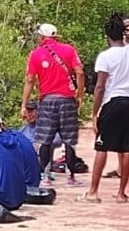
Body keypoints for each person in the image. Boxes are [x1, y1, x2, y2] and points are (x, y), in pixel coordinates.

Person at [84, 14, 129, 203]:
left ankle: (93, 192)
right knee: (126, 149)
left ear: (108, 35)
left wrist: (95, 112)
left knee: (102, 147)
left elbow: (100, 87)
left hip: (112, 102)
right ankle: (121, 193)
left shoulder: (105, 56)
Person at [21, 23, 85, 170]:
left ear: (42, 37)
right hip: (67, 99)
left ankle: (45, 175)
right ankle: (71, 175)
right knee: (69, 139)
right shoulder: (69, 50)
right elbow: (80, 72)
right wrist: (79, 94)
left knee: (45, 139)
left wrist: (24, 103)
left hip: (47, 100)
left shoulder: (36, 54)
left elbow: (30, 80)